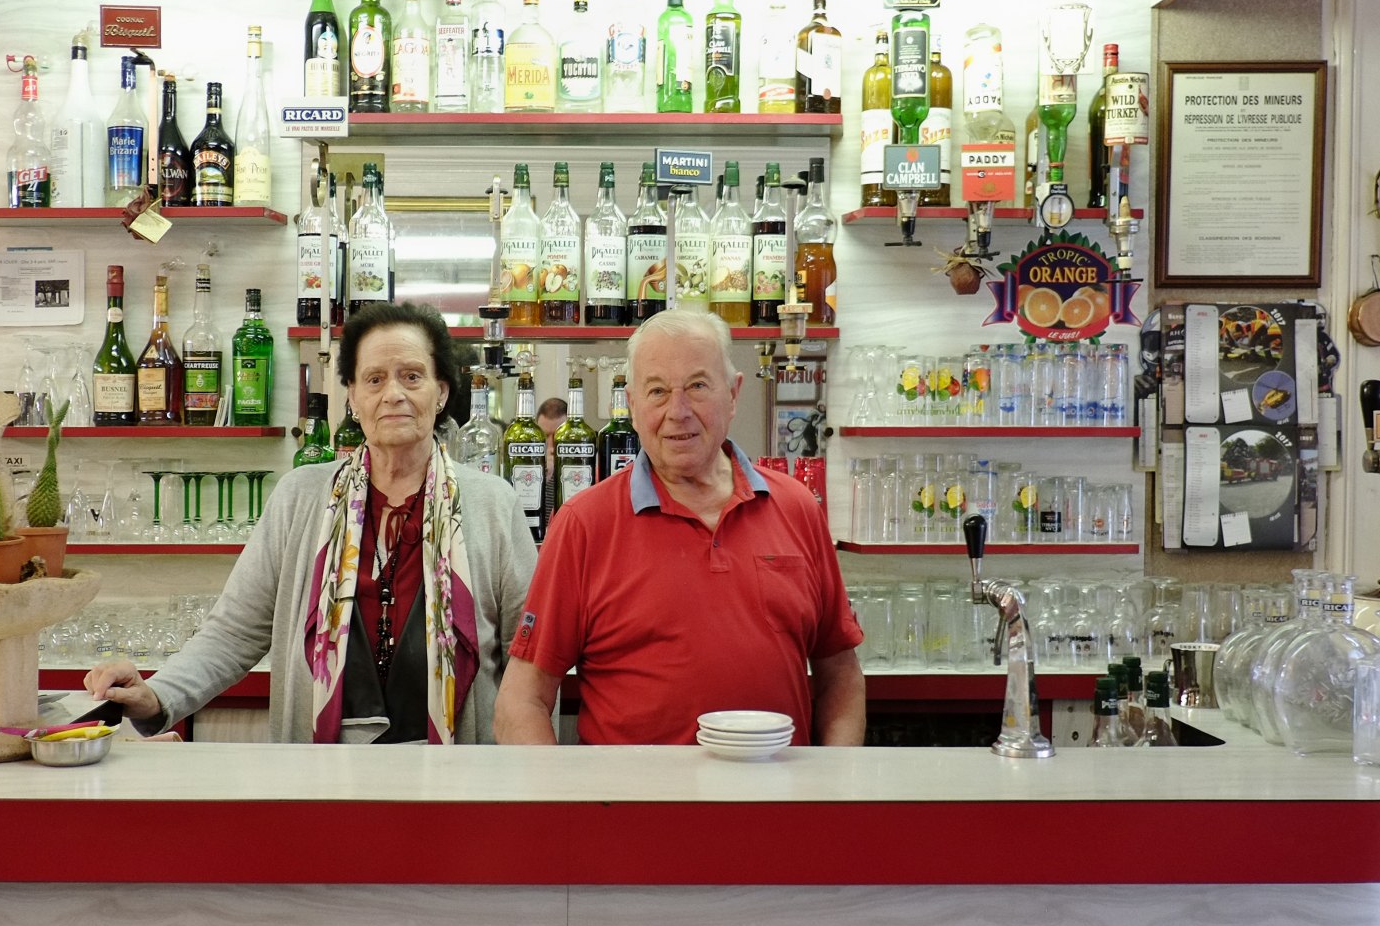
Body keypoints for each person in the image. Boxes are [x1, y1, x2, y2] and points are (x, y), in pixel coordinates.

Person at [85, 304, 537, 744]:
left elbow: (530, 654)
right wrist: (158, 695)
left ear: (440, 393)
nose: (393, 393)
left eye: (412, 376)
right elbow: (236, 631)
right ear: (353, 398)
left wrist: (521, 778)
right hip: (322, 775)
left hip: (456, 780)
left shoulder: (492, 504)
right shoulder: (300, 496)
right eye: (374, 379)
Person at [495, 308, 865, 746]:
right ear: (631, 406)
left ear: (733, 393)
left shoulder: (797, 508)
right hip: (631, 809)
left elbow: (840, 675)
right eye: (657, 391)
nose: (678, 411)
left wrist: (834, 791)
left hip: (780, 805)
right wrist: (565, 809)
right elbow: (522, 699)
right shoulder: (584, 524)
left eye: (697, 386)